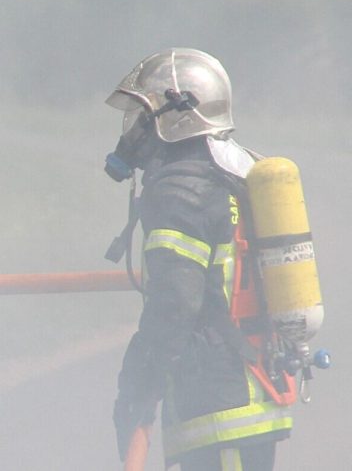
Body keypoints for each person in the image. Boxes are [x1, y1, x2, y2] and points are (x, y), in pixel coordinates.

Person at [104, 48, 294, 470]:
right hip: (245, 389)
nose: (135, 131)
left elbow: (176, 302)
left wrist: (138, 381)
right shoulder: (233, 167)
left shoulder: (179, 191)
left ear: (177, 114)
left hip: (218, 403)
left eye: (144, 116)